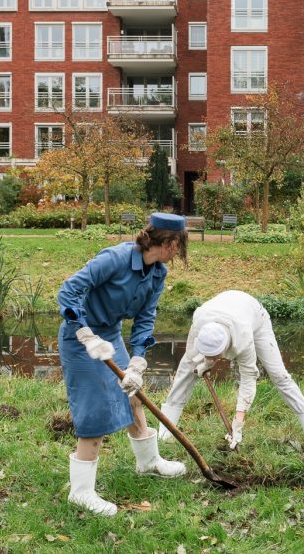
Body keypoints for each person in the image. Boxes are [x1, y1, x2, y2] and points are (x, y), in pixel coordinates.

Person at [57, 213, 188, 516]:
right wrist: (84, 332)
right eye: (180, 245)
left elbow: (145, 318)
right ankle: (81, 492)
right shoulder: (114, 259)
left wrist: (139, 361)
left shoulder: (158, 273)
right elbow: (69, 290)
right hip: (81, 338)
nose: (180, 252)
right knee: (94, 410)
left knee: (132, 395)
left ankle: (148, 462)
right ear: (169, 242)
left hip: (110, 335)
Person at [157, 290, 304, 455]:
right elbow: (191, 354)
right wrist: (203, 364)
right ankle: (165, 435)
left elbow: (248, 379)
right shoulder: (200, 319)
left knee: (279, 375)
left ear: (224, 349)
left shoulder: (243, 337)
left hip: (254, 316)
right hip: (220, 309)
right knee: (186, 371)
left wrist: (238, 423)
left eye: (214, 356)